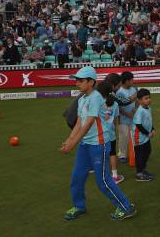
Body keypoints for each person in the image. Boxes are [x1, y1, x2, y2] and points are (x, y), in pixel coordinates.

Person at [60, 66, 136, 221]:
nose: (77, 83)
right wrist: (69, 140)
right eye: (76, 80)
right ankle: (79, 206)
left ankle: (127, 207)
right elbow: (79, 122)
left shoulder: (95, 98)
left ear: (91, 82)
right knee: (77, 177)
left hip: (99, 144)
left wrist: (73, 143)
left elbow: (88, 123)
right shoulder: (82, 99)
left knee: (103, 181)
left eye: (80, 81)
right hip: (86, 144)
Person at [131, 88, 154, 181]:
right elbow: (138, 125)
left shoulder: (149, 108)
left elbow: (149, 121)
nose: (148, 100)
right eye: (145, 98)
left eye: (149, 97)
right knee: (140, 154)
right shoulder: (140, 111)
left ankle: (143, 170)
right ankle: (139, 173)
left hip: (145, 136)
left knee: (147, 151)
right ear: (139, 100)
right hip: (138, 137)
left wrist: (152, 129)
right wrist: (147, 133)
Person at [116, 71, 138, 163]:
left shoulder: (134, 89)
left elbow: (137, 101)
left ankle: (134, 153)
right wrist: (127, 114)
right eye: (131, 80)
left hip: (134, 117)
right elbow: (119, 107)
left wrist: (134, 110)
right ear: (126, 81)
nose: (133, 81)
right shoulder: (119, 92)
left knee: (134, 136)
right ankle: (122, 155)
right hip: (123, 118)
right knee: (123, 137)